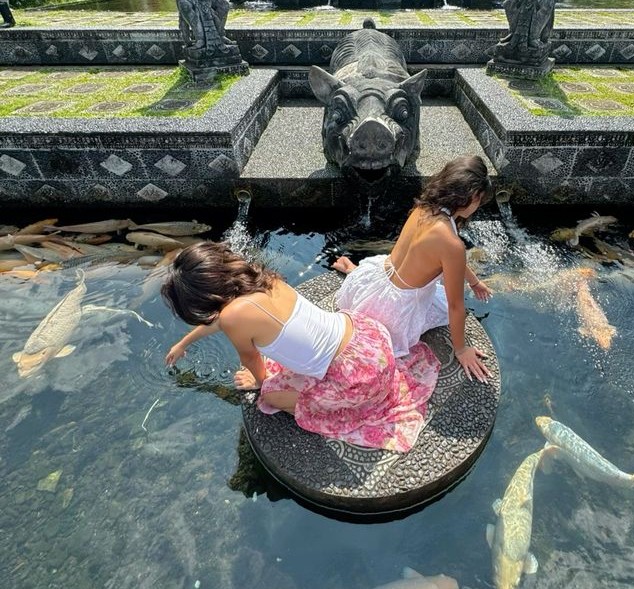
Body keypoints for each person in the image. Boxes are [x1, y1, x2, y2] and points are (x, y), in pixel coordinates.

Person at [162, 242, 440, 453]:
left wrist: (262, 384)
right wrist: (183, 342)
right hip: (370, 340)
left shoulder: (234, 316)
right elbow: (222, 321)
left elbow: (250, 359)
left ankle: (337, 403)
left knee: (270, 398)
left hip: (360, 378)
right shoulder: (260, 278)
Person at [332, 155, 493, 384]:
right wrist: (461, 349)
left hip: (371, 280)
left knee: (414, 281)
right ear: (474, 197)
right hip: (394, 310)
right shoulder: (451, 243)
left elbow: (446, 259)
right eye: (480, 200)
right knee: (445, 309)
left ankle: (353, 272)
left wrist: (474, 281)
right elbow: (456, 306)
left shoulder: (425, 207)